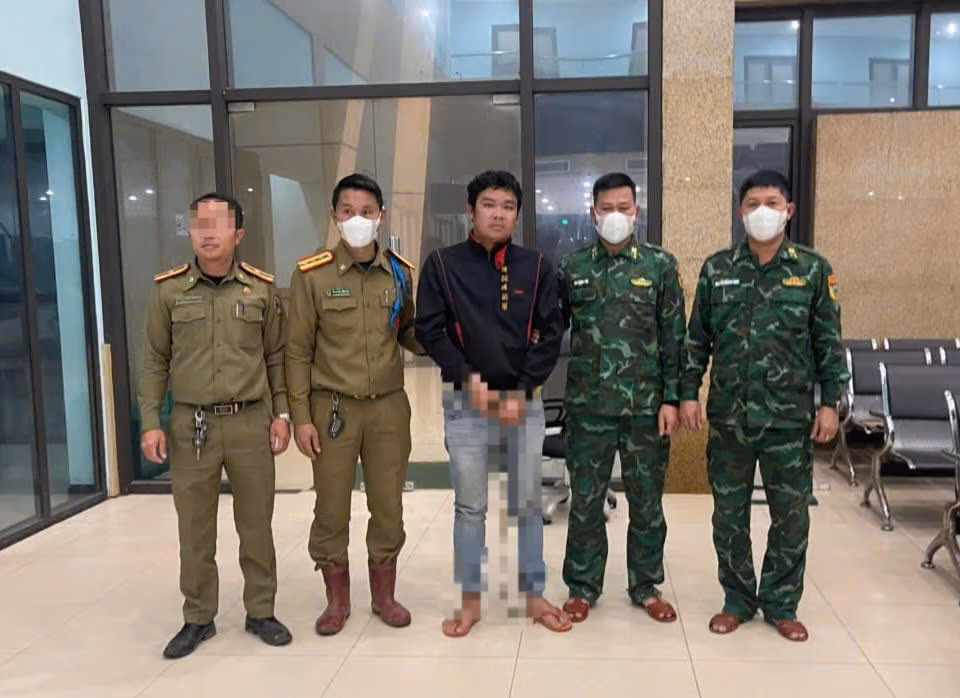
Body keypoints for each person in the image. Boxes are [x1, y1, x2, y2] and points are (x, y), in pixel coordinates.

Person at [679, 170, 848, 642]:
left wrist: (830, 403)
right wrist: (688, 392)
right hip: (730, 418)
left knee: (790, 516)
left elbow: (828, 342)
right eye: (752, 204)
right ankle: (736, 600)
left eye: (771, 203)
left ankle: (780, 602)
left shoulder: (813, 270)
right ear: (741, 211)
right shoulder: (717, 269)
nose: (762, 212)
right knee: (728, 515)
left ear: (788, 210)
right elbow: (697, 340)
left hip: (789, 419)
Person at [415, 170, 573, 637]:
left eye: (508, 206)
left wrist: (521, 392)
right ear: (471, 211)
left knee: (527, 504)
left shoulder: (537, 267)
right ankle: (470, 602)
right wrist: (472, 384)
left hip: (523, 404)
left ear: (517, 214)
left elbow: (551, 331)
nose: (498, 214)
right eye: (489, 204)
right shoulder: (442, 265)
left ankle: (533, 595)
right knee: (470, 507)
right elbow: (430, 330)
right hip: (467, 404)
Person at [140, 193, 292, 659]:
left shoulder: (261, 289)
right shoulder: (168, 292)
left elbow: (276, 357)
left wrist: (282, 415)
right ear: (189, 231)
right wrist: (151, 422)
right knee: (195, 527)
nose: (208, 233)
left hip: (250, 422)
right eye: (199, 224)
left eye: (218, 224)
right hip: (191, 425)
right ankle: (198, 617)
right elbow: (154, 360)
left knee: (256, 524)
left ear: (237, 234)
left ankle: (261, 611)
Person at [285, 173, 422, 636]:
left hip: (388, 409)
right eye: (348, 212)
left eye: (366, 212)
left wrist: (450, 338)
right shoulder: (312, 275)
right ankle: (336, 601)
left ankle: (384, 596)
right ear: (334, 216)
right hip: (333, 411)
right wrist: (300, 417)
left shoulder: (399, 272)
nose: (358, 220)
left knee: (388, 505)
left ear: (381, 216)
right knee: (331, 506)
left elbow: (408, 331)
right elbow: (297, 352)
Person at [557, 172, 686, 624]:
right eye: (607, 208)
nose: (616, 215)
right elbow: (549, 330)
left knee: (647, 503)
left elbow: (674, 339)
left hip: (646, 410)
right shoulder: (572, 268)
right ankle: (582, 588)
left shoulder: (660, 266)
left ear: (637, 211)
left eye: (624, 208)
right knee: (586, 502)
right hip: (589, 408)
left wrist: (673, 399)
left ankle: (646, 586)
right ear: (593, 214)